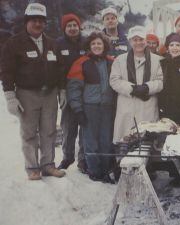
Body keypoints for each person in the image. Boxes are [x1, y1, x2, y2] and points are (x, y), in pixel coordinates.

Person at [1, 3, 66, 180]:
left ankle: (48, 165)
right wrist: (9, 96)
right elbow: (6, 71)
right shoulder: (14, 43)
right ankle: (32, 167)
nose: (38, 24)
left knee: (49, 130)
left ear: (45, 23)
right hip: (26, 93)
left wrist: (62, 90)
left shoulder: (52, 43)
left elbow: (60, 68)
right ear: (26, 22)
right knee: (29, 132)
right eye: (34, 20)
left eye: (41, 21)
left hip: (50, 94)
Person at [67, 32, 115, 183]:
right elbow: (74, 88)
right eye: (93, 44)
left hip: (108, 107)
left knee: (106, 140)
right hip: (90, 107)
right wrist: (78, 110)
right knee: (91, 141)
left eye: (99, 43)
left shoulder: (111, 62)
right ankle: (94, 171)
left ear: (104, 46)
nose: (96, 46)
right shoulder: (81, 63)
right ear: (89, 46)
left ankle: (106, 169)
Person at [110, 26, 163, 143]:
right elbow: (114, 80)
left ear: (146, 41)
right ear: (130, 41)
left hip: (148, 107)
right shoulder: (120, 60)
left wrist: (147, 87)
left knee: (147, 144)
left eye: (141, 39)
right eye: (135, 40)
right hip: (127, 107)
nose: (138, 43)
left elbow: (161, 81)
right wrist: (132, 89)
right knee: (125, 142)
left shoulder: (158, 60)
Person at [56, 13, 87, 173]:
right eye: (69, 26)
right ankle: (67, 157)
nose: (73, 28)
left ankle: (83, 158)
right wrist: (60, 89)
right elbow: (55, 69)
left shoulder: (86, 42)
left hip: (85, 90)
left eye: (75, 25)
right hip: (66, 90)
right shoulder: (58, 44)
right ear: (64, 28)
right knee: (68, 126)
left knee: (85, 126)